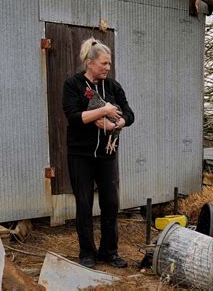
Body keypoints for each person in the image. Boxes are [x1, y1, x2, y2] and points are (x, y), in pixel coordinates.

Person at [62, 38, 135, 268]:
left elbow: (130, 116)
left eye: (109, 63)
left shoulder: (113, 87)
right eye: (104, 63)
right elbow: (75, 117)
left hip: (107, 154)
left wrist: (115, 125)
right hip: (80, 155)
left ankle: (109, 251)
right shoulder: (73, 85)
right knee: (84, 204)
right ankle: (87, 253)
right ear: (89, 63)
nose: (107, 67)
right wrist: (103, 111)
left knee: (110, 203)